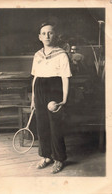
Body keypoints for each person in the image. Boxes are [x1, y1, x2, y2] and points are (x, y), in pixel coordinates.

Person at [31, 22, 72, 174]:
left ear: (55, 35)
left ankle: (59, 158)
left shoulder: (61, 54)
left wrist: (65, 99)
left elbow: (65, 78)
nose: (47, 36)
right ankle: (46, 156)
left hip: (54, 89)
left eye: (50, 33)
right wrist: (33, 98)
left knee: (55, 126)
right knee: (42, 125)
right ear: (39, 37)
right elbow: (35, 77)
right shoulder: (37, 55)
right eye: (44, 33)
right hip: (39, 89)